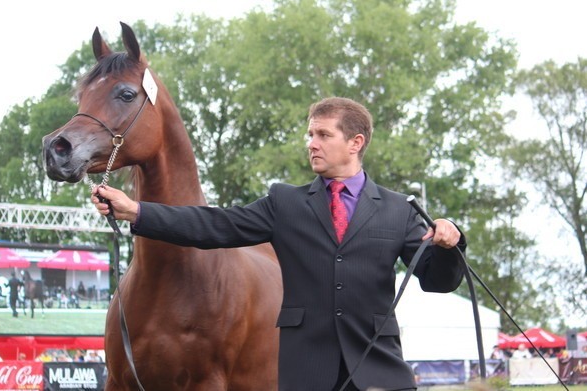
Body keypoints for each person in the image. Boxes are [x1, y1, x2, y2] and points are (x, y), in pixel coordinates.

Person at [92, 97, 466, 391]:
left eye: (323, 135)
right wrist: (138, 211)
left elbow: (438, 280)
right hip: (303, 374)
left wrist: (452, 245)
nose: (312, 144)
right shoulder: (285, 203)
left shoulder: (400, 210)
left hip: (380, 373)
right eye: (310, 135)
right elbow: (214, 225)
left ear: (356, 143)